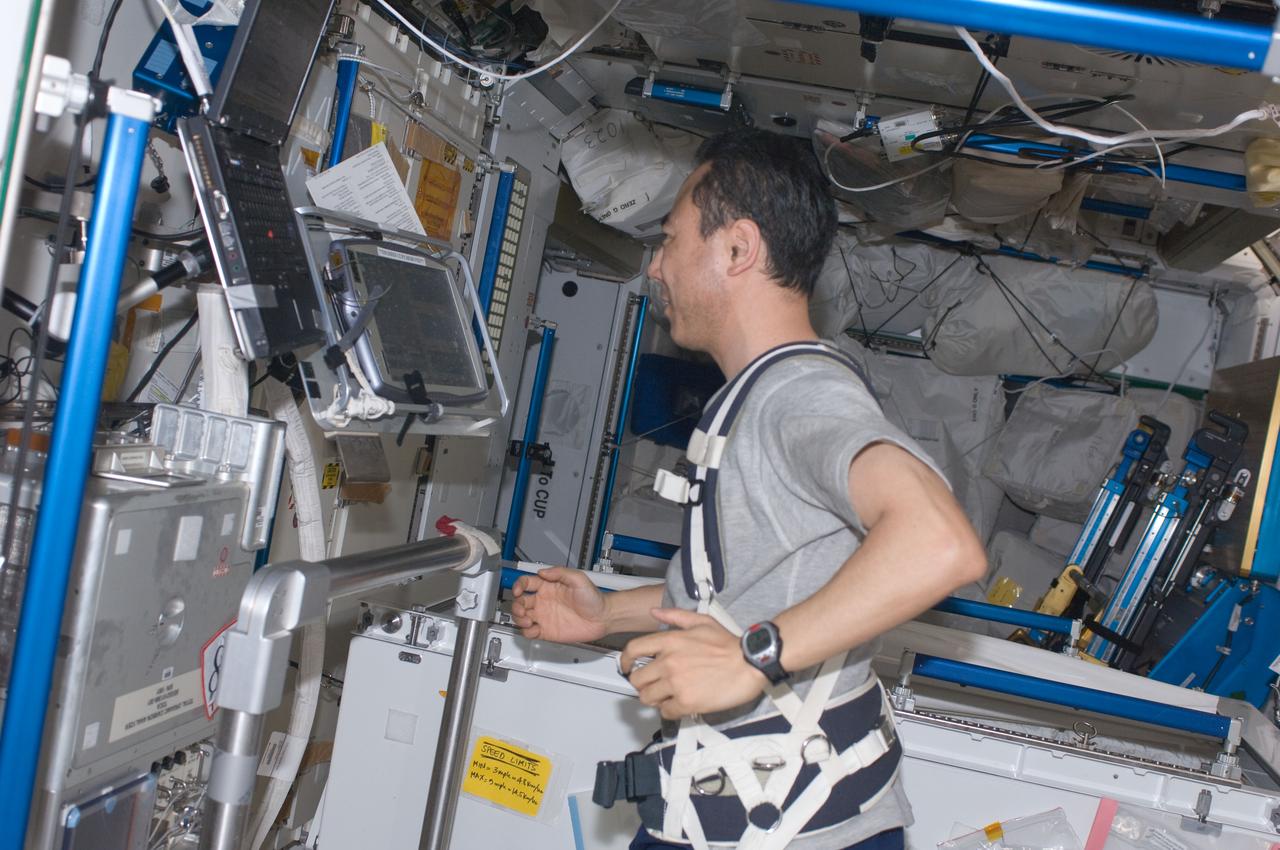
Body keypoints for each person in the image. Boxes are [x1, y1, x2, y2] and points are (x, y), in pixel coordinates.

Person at [511, 128, 987, 850]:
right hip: (749, 817)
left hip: (789, 829)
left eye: (670, 240)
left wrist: (751, 658)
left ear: (737, 249)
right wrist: (606, 612)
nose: (656, 266)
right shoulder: (764, 393)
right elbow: (745, 592)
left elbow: (940, 542)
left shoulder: (797, 396)